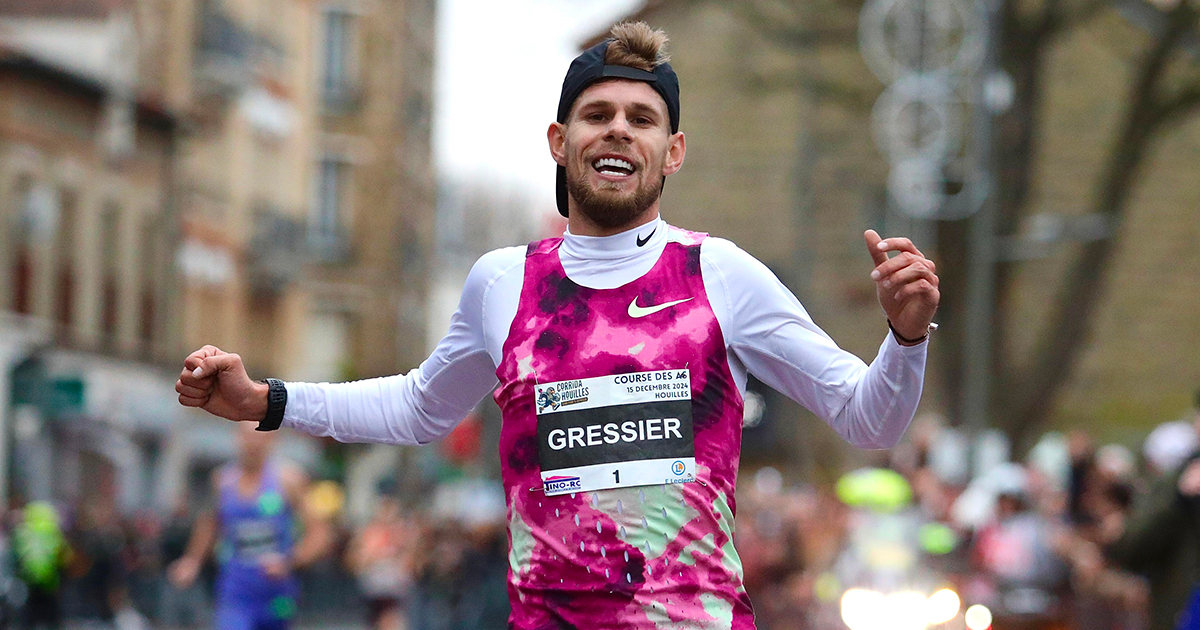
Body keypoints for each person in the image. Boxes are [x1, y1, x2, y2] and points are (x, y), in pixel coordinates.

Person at [174, 22, 939, 629]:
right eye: (596, 114)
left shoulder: (722, 275)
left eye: (642, 119)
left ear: (672, 153)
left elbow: (867, 418)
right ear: (559, 140)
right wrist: (265, 403)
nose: (617, 131)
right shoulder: (502, 284)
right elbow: (416, 409)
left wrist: (906, 339)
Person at [167, 423, 331, 630]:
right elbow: (209, 525)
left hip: (277, 593)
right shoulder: (222, 481)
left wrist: (289, 560)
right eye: (247, 436)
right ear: (236, 437)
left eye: (259, 436)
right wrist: (191, 561)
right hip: (236, 589)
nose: (252, 443)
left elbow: (320, 533)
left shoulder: (289, 480)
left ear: (273, 438)